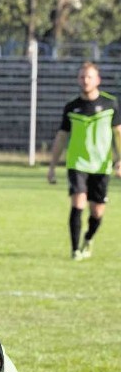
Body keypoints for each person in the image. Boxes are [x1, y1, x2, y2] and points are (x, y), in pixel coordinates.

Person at [47, 61, 121, 260]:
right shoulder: (72, 107)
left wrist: (120, 160)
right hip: (77, 163)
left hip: (102, 165)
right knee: (78, 203)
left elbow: (118, 134)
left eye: (89, 77)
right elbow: (62, 137)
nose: (85, 80)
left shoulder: (110, 104)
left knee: (97, 212)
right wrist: (52, 166)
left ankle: (88, 238)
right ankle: (75, 250)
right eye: (82, 77)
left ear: (98, 80)